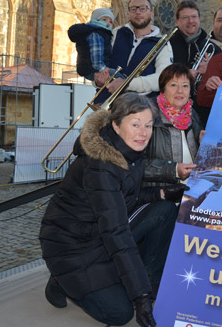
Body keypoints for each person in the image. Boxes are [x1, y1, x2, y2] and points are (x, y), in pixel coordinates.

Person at [39, 93, 186, 327]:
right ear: (116, 125)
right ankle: (60, 278)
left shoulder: (128, 151)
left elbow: (125, 198)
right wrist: (140, 298)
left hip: (96, 232)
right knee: (120, 313)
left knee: (165, 210)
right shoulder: (101, 166)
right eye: (135, 124)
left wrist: (160, 194)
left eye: (148, 125)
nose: (143, 132)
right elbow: (116, 233)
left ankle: (147, 281)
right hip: (71, 246)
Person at [96, 0, 174, 104]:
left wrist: (126, 84)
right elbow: (100, 63)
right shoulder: (116, 33)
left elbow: (162, 79)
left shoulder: (163, 44)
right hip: (105, 104)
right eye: (133, 9)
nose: (138, 12)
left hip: (140, 108)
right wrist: (97, 79)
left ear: (151, 14)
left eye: (143, 8)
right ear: (128, 14)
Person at [143, 63, 202, 192]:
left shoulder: (192, 114)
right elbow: (135, 164)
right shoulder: (147, 116)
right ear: (163, 89)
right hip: (160, 196)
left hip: (191, 193)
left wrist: (203, 143)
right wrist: (173, 170)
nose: (180, 91)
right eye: (173, 85)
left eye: (185, 86)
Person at [67, 8, 117, 88]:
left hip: (90, 70)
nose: (108, 23)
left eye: (110, 21)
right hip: (96, 69)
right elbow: (96, 55)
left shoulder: (98, 32)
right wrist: (103, 69)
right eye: (104, 19)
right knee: (122, 79)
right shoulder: (97, 34)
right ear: (96, 20)